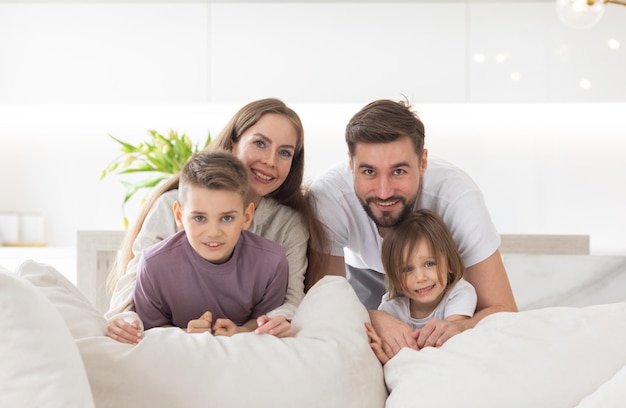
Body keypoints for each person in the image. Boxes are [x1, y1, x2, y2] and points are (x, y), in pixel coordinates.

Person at [306, 98, 517, 359]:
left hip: (444, 286)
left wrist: (458, 327)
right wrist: (375, 316)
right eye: (369, 171)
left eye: (399, 171)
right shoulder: (329, 197)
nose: (384, 192)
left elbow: (503, 308)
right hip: (361, 274)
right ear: (350, 164)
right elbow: (324, 305)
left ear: (423, 162)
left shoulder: (458, 197)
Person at [106, 98, 327, 344]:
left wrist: (267, 325)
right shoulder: (170, 207)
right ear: (232, 144)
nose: (270, 161)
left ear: (247, 217)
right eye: (260, 143)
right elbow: (133, 284)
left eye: (284, 152)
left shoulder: (288, 224)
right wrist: (126, 320)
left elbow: (290, 301)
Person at [134, 151, 289, 335]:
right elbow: (150, 333)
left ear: (246, 217)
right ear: (179, 215)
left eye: (227, 218)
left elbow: (264, 323)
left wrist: (241, 331)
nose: (213, 232)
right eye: (199, 218)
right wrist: (184, 334)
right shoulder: (153, 266)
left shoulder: (272, 263)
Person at [364, 209, 477, 364]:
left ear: (449, 264)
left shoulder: (459, 293)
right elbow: (393, 354)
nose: (420, 278)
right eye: (407, 269)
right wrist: (385, 359)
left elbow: (450, 342)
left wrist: (405, 351)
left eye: (429, 264)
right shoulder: (392, 308)